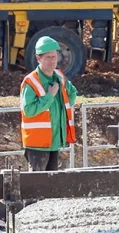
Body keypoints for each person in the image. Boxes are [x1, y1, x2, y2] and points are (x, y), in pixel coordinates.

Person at [21, 36, 77, 171]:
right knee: (36, 184)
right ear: (38, 58)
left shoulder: (59, 76)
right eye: (48, 57)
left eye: (54, 57)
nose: (52, 61)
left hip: (54, 142)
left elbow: (72, 93)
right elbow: (28, 110)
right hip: (37, 144)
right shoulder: (31, 82)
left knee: (50, 185)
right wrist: (50, 96)